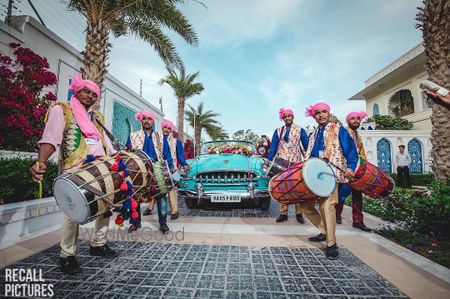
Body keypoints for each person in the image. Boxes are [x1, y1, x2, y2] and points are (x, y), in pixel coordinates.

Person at [30, 74, 118, 275]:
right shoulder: (62, 110)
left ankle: (98, 244)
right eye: (87, 91)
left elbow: (107, 143)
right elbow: (51, 138)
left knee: (106, 207)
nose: (90, 97)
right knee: (73, 212)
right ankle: (67, 255)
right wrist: (41, 162)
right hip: (75, 170)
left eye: (95, 94)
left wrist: (116, 163)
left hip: (101, 168)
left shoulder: (97, 117)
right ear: (76, 90)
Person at [302, 102, 358, 259]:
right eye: (317, 113)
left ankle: (331, 244)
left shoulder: (338, 129)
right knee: (305, 205)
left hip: (330, 175)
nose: (321, 115)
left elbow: (351, 151)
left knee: (328, 206)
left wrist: (351, 167)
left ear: (328, 113)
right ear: (314, 116)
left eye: (323, 112)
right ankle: (325, 231)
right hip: (313, 176)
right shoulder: (313, 134)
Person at [126, 111, 170, 233]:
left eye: (149, 119)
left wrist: (170, 168)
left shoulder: (161, 136)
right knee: (134, 196)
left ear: (153, 121)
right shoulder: (133, 135)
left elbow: (166, 154)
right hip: (137, 169)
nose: (146, 121)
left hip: (156, 168)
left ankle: (163, 223)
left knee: (161, 196)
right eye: (144, 118)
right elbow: (127, 152)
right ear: (141, 120)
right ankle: (135, 223)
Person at [265, 108, 309, 224]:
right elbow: (273, 147)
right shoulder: (278, 131)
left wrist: (310, 159)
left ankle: (299, 214)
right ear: (282, 118)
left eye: (289, 116)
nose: (287, 118)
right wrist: (268, 160)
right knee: (282, 187)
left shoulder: (300, 130)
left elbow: (307, 146)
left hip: (296, 162)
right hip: (282, 162)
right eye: (285, 117)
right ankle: (283, 213)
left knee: (298, 187)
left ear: (293, 116)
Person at [335, 111, 372, 232]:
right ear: (348, 121)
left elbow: (361, 153)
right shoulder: (344, 133)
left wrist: (364, 167)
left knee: (357, 195)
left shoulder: (358, 136)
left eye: (357, 119)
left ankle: (358, 221)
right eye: (353, 119)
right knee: (342, 194)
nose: (356, 121)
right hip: (345, 169)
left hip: (356, 171)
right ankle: (337, 214)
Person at [160, 119, 190, 220]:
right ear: (162, 127)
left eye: (169, 128)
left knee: (171, 188)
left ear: (171, 130)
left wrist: (184, 164)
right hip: (158, 166)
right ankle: (150, 208)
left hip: (171, 168)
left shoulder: (176, 141)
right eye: (165, 127)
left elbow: (181, 155)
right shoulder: (157, 139)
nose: (167, 130)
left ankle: (175, 211)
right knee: (156, 188)